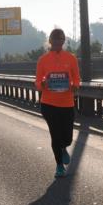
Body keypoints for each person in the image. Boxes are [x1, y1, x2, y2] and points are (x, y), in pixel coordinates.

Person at [35, 28, 81, 178]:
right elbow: (37, 82)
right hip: (48, 104)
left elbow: (77, 79)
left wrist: (75, 86)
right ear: (50, 41)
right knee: (55, 135)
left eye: (61, 39)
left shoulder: (71, 58)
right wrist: (43, 84)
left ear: (64, 41)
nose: (58, 42)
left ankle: (63, 147)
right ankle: (59, 166)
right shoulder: (43, 60)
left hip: (67, 103)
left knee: (67, 137)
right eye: (55, 39)